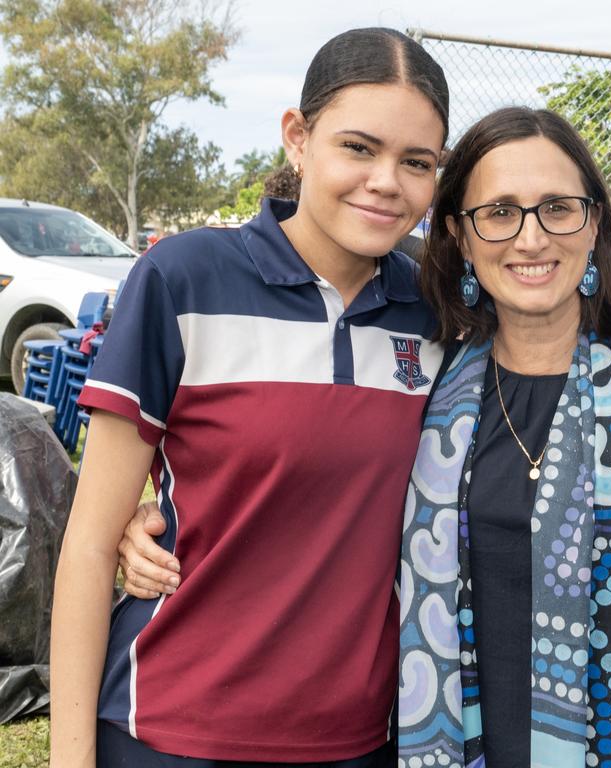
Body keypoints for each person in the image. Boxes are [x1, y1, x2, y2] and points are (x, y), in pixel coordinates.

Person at [118, 106, 611, 766]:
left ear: (594, 221)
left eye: (558, 207)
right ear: (460, 235)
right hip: (443, 742)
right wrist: (150, 520)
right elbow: (323, 476)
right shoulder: (428, 375)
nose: (531, 238)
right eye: (499, 212)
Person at [50, 27, 449, 767]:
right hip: (168, 733)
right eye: (359, 148)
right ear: (298, 138)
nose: (387, 181)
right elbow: (89, 544)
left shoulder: (438, 317)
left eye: (416, 162)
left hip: (356, 742)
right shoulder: (184, 278)